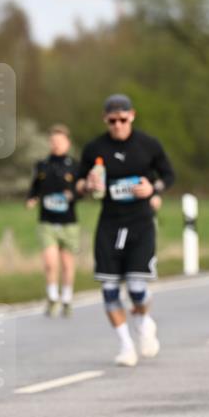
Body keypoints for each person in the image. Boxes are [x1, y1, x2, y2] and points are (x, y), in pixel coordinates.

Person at [76, 94, 174, 367]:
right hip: (109, 223)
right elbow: (79, 186)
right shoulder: (95, 148)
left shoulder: (148, 145)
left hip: (140, 222)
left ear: (132, 116)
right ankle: (125, 345)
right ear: (105, 120)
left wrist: (153, 189)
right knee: (109, 289)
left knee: (136, 287)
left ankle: (143, 320)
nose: (117, 125)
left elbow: (169, 175)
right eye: (112, 120)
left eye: (122, 119)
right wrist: (87, 186)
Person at [26, 124, 80, 317]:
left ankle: (67, 298)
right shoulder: (43, 165)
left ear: (68, 143)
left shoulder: (74, 166)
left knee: (67, 264)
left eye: (60, 141)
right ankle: (52, 297)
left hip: (68, 221)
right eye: (54, 141)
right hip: (47, 220)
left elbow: (81, 191)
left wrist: (72, 194)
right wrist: (31, 198)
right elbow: (35, 187)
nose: (56, 145)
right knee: (50, 262)